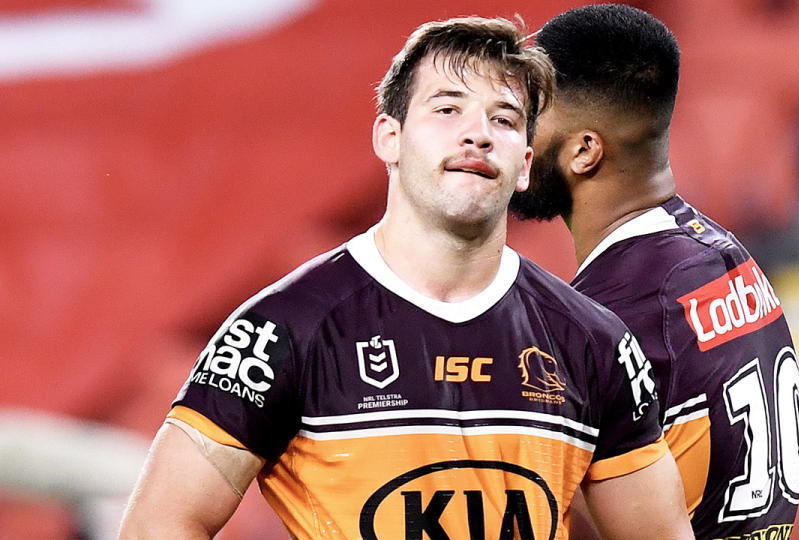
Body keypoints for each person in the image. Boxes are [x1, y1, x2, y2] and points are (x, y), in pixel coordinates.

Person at [119, 15, 694, 539]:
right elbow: (159, 526)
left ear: (524, 164)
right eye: (447, 110)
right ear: (388, 139)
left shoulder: (594, 341)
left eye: (504, 118)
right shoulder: (281, 331)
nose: (477, 133)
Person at [510, 4, 799, 539]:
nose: (514, 137)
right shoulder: (728, 258)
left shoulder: (609, 317)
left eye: (532, 113)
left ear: (584, 151)